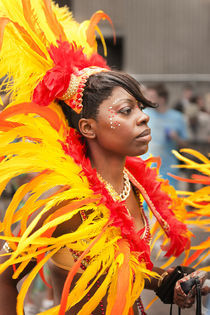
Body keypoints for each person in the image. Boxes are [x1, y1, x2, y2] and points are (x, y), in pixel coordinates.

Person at [0, 1, 208, 314]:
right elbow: (4, 275)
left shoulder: (133, 188)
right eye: (126, 111)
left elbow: (125, 265)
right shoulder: (66, 205)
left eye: (140, 108)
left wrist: (167, 282)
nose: (143, 118)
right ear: (88, 127)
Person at [143, 84, 188, 188]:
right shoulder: (143, 115)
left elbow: (185, 144)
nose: (148, 100)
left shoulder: (177, 117)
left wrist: (176, 137)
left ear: (162, 99)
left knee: (168, 201)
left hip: (168, 170)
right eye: (147, 96)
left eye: (152, 97)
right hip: (146, 168)